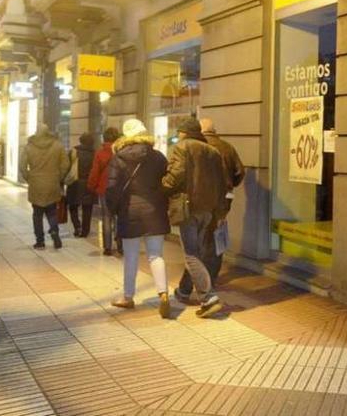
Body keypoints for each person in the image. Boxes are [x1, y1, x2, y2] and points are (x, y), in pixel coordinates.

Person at [162, 116, 228, 318]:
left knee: (191, 254)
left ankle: (208, 298)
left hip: (188, 208)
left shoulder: (183, 147)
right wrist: (218, 211)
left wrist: (162, 185)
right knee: (196, 253)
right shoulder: (213, 151)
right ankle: (183, 291)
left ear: (183, 132)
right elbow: (221, 184)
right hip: (207, 210)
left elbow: (175, 177)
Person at [105, 119, 171, 319]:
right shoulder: (158, 157)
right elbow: (166, 183)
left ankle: (128, 296)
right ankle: (164, 294)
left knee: (131, 255)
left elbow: (112, 187)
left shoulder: (118, 158)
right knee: (155, 255)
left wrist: (112, 208)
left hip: (129, 211)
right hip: (155, 211)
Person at [175, 118, 245, 301]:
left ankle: (197, 288)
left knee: (195, 249)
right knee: (214, 243)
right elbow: (239, 172)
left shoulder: (196, 147)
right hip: (222, 202)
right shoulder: (226, 147)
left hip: (200, 201)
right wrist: (229, 187)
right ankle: (202, 283)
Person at [19, 124, 68, 250]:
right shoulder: (58, 145)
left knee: (37, 214)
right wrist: (59, 177)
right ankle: (54, 232)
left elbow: (22, 166)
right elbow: (65, 164)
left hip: (36, 182)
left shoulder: (29, 147)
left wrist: (29, 178)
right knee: (52, 212)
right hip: (52, 182)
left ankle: (40, 240)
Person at [88, 127, 122, 255]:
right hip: (119, 189)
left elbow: (95, 172)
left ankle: (107, 247)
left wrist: (91, 186)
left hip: (104, 189)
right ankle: (120, 245)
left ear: (104, 138)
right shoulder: (121, 151)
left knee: (107, 217)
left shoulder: (100, 153)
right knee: (119, 217)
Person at [66, 133, 96, 237]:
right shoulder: (95, 153)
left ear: (81, 141)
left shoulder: (74, 151)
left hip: (75, 182)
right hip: (89, 183)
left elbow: (66, 167)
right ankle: (85, 231)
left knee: (73, 206)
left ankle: (77, 226)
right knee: (87, 208)